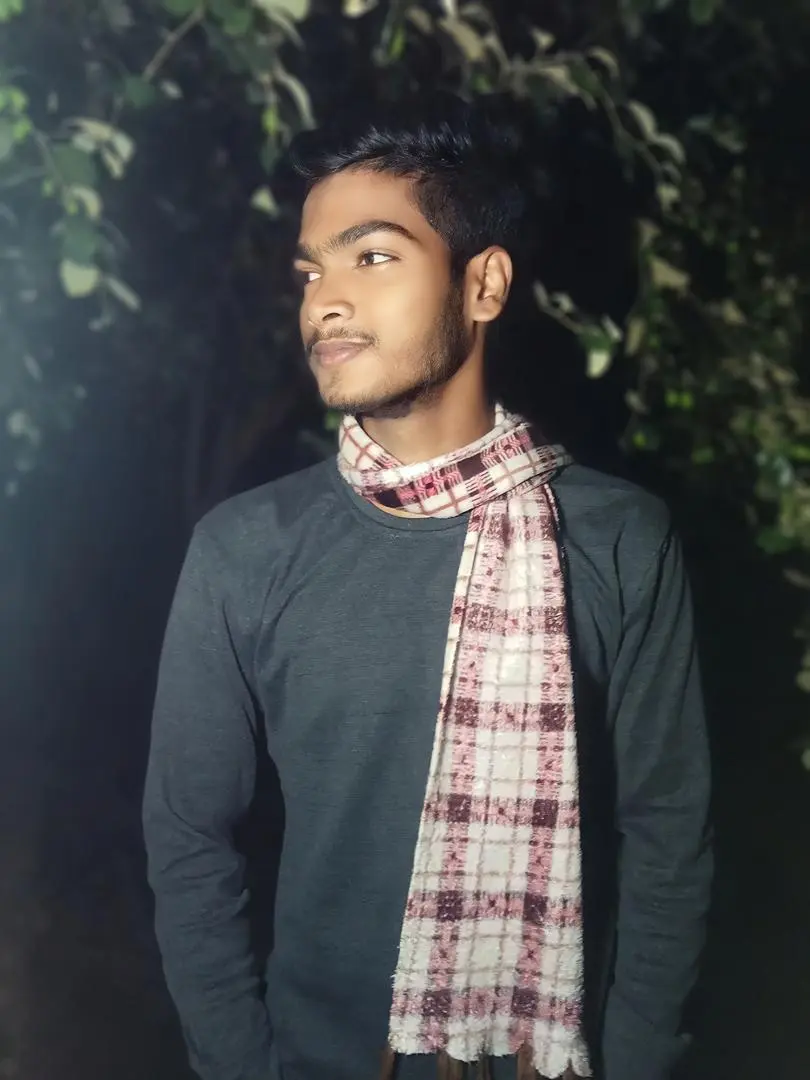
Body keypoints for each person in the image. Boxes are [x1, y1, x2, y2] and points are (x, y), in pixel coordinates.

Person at [143, 95, 712, 1080]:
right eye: (312, 271)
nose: (325, 302)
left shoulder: (619, 538)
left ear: (483, 284)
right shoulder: (246, 549)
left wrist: (635, 1061)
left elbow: (670, 836)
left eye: (372, 257)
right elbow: (190, 837)